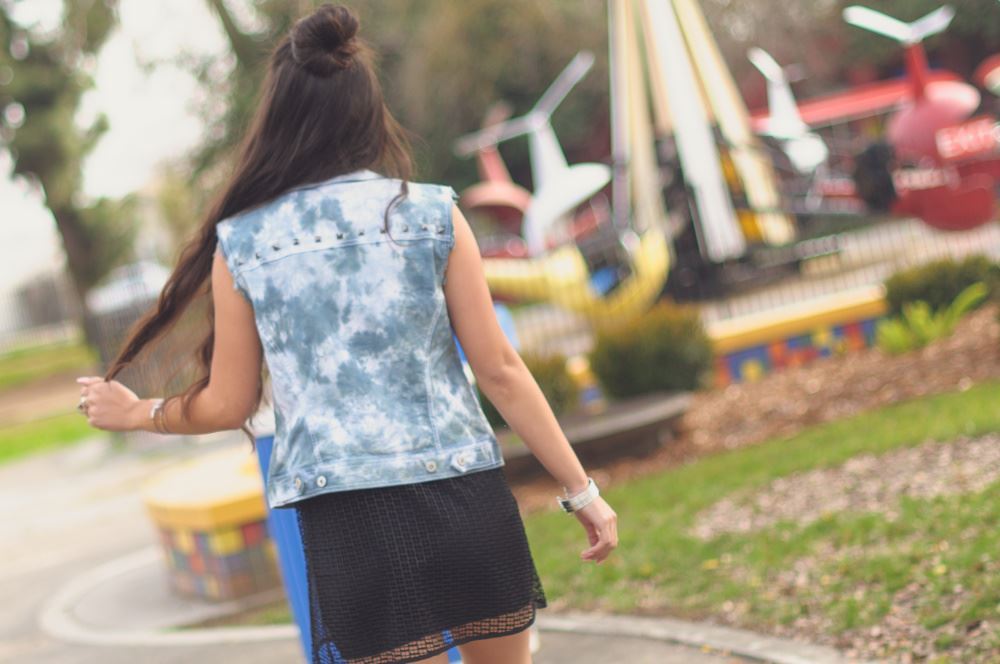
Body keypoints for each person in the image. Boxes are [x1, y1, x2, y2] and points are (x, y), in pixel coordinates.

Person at [74, 4, 617, 663]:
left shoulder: (242, 244)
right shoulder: (434, 216)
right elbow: (500, 369)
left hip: (349, 522)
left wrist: (140, 413)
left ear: (279, 118)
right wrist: (580, 489)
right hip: (460, 493)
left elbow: (228, 404)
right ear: (367, 112)